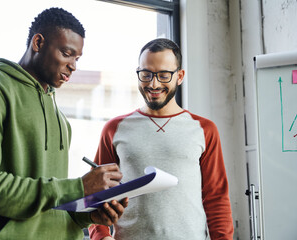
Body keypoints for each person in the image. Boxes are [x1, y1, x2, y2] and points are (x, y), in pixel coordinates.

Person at [0, 7, 128, 240]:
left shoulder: (61, 119)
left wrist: (89, 216)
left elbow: (50, 204)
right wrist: (77, 188)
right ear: (38, 43)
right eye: (67, 53)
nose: (74, 66)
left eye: (77, 58)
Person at [89, 38, 234, 239]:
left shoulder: (204, 129)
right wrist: (102, 236)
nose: (153, 83)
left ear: (180, 76)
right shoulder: (114, 129)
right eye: (146, 74)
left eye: (164, 75)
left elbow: (216, 198)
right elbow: (94, 194)